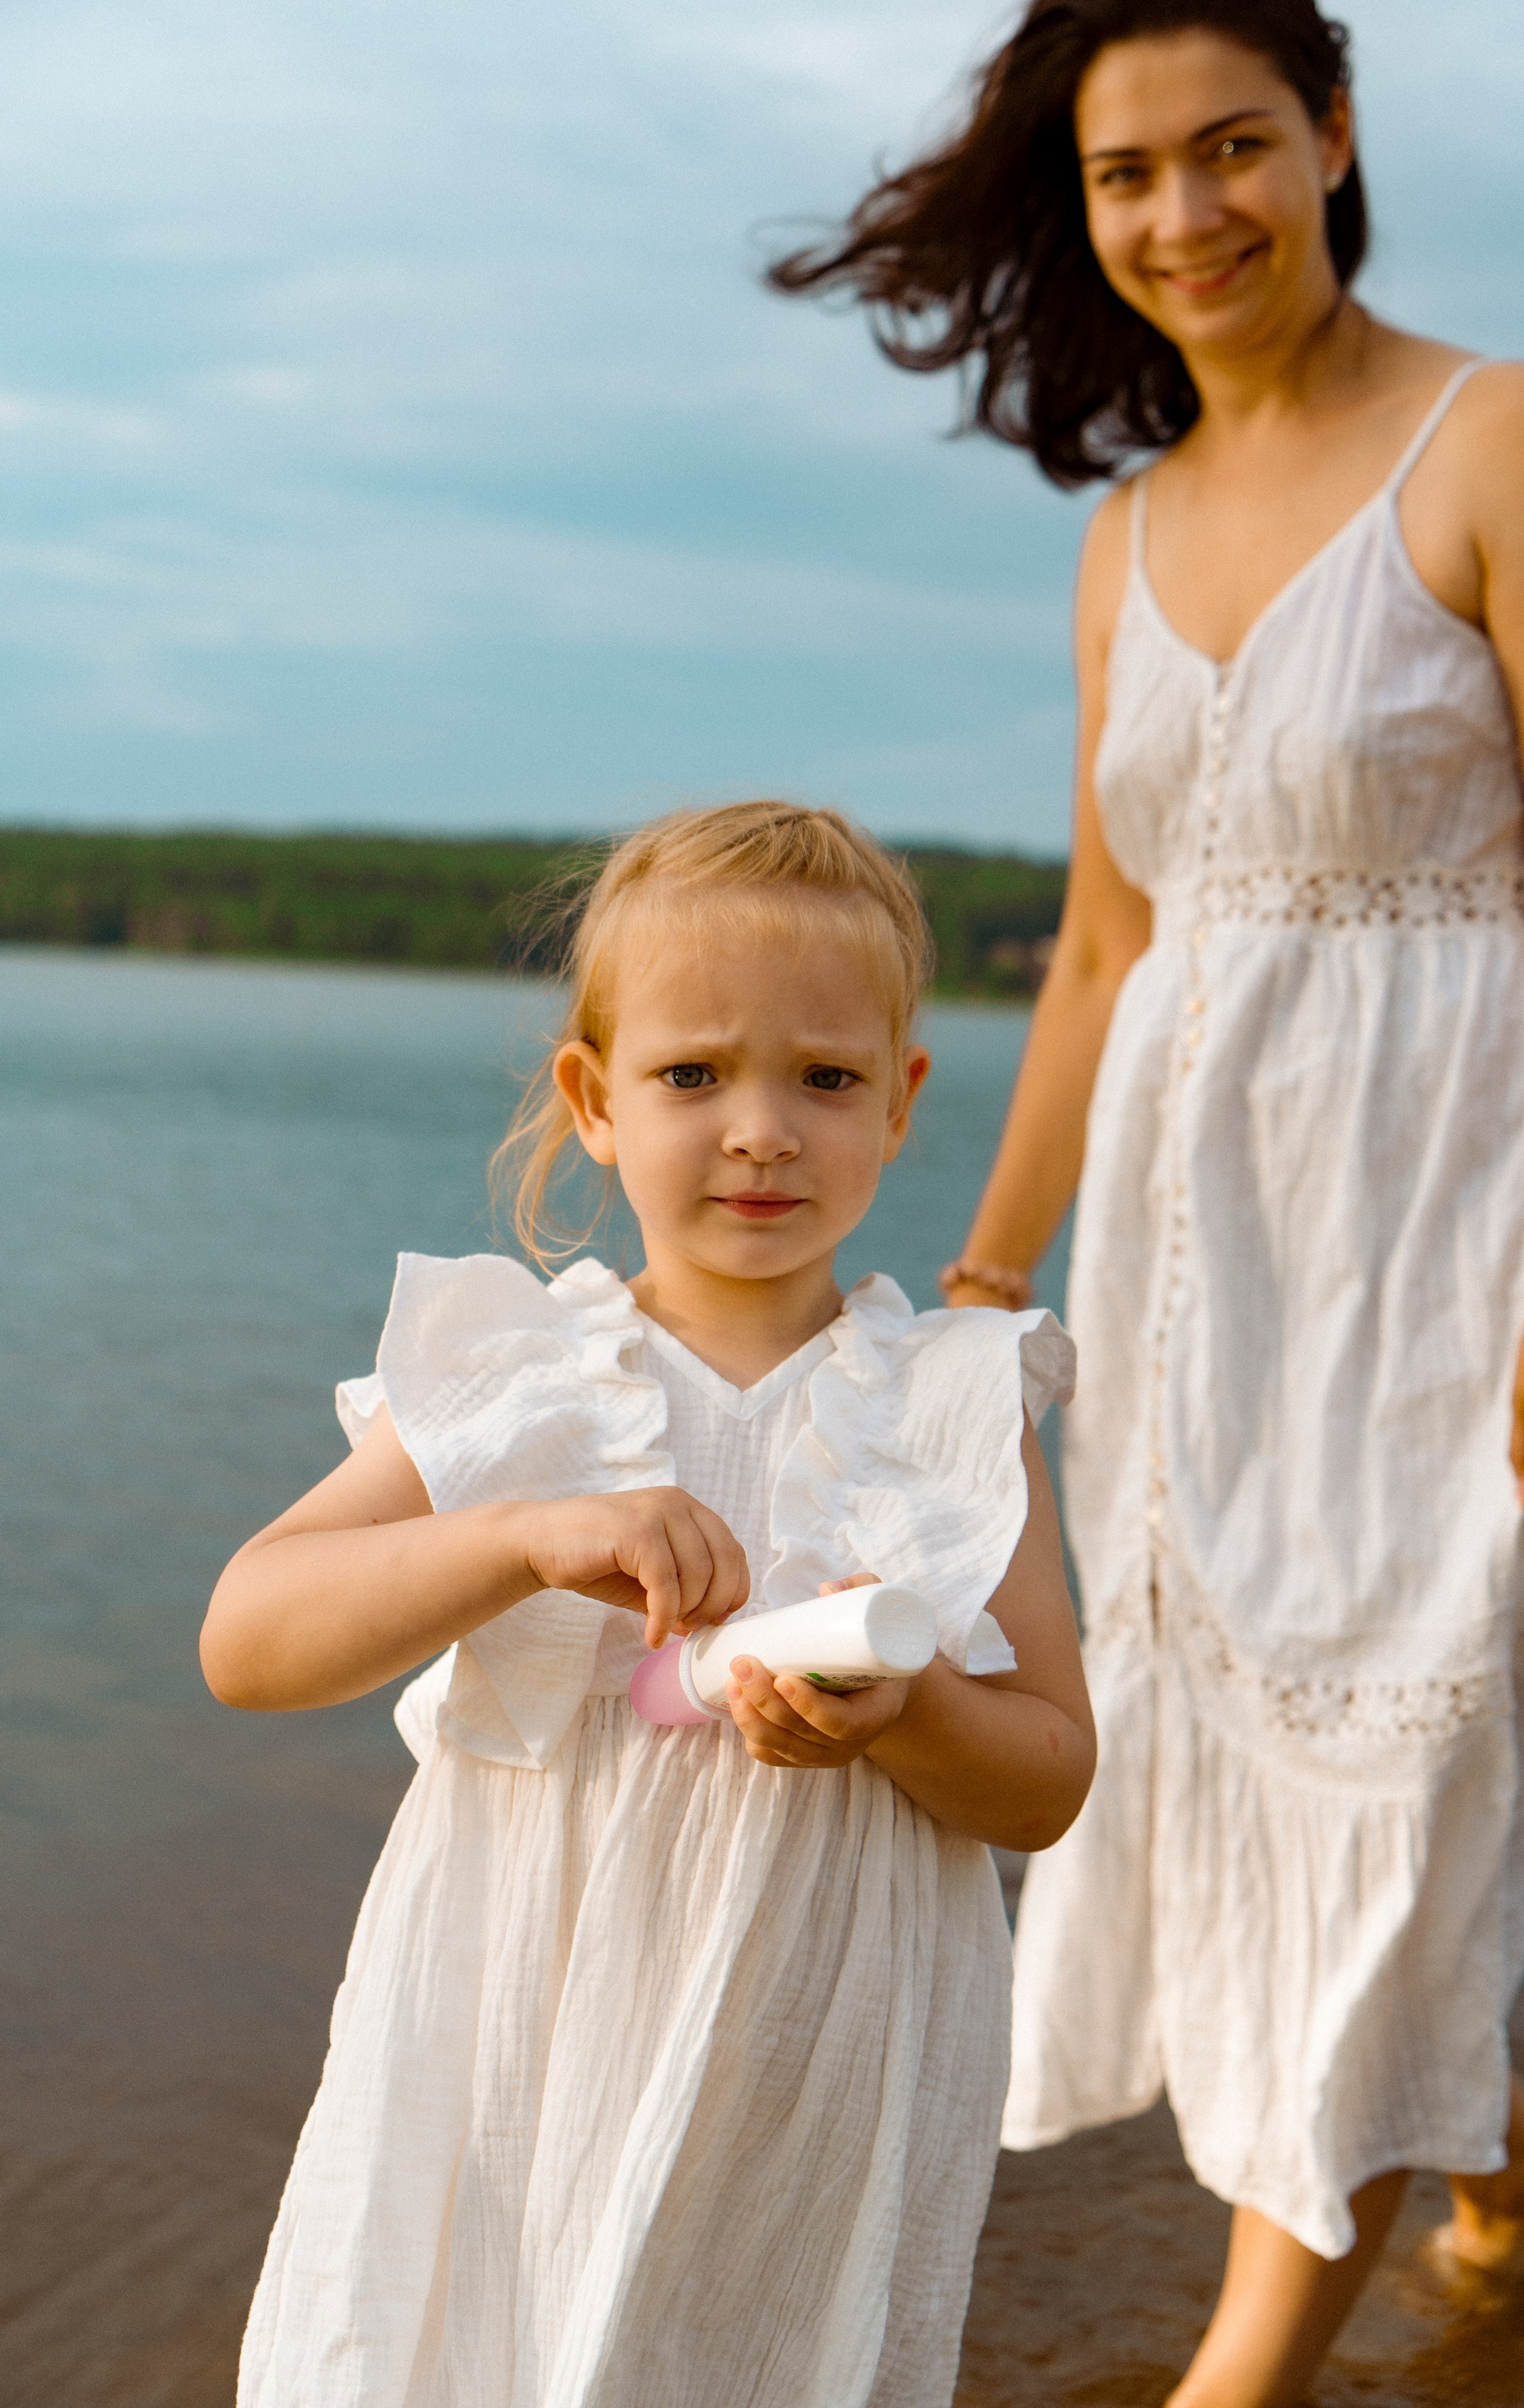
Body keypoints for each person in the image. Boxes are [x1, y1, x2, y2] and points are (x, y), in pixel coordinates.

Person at [769, 3, 1524, 2403]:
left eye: (1235, 147)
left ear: (1335, 139)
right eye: (1131, 176)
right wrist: (988, 1297)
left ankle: (1233, 2383)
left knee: (1392, 1761)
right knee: (1229, 1770)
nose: (1187, 213)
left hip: (1441, 1243)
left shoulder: (1508, 434)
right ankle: (1520, 2180)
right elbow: (1114, 947)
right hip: (1179, 1260)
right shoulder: (1125, 536)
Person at [201, 800, 1094, 2408]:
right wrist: (519, 1539)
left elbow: (1047, 1779)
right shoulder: (518, 1378)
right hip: (514, 2035)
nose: (760, 1130)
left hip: (816, 2070)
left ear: (900, 1103)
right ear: (593, 1100)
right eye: (692, 1076)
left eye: (824, 1079)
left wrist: (913, 1714)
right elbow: (248, 1640)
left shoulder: (956, 1404)